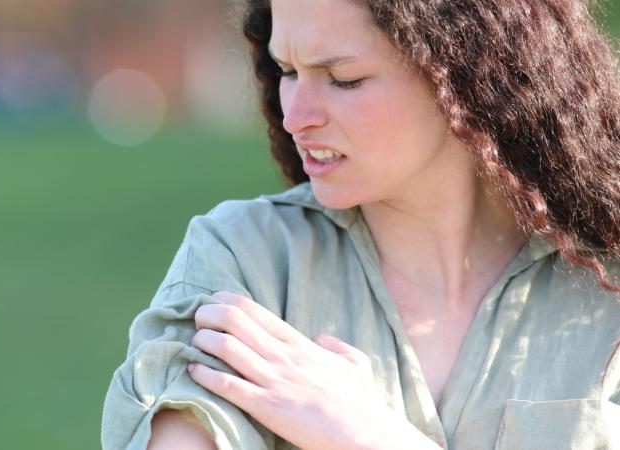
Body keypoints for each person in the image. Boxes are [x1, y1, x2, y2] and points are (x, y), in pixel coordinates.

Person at [101, 0, 620, 448]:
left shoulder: (607, 289)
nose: (294, 115)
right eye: (287, 71)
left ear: (468, 74)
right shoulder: (245, 264)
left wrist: (368, 437)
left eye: (342, 78)